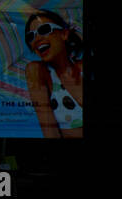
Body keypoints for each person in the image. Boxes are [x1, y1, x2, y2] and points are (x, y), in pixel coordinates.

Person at [24, 9, 83, 139]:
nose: (37, 39)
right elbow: (50, 133)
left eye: (44, 30)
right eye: (30, 36)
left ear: (64, 34)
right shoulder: (37, 71)